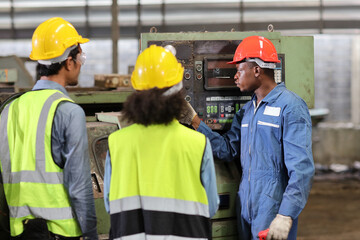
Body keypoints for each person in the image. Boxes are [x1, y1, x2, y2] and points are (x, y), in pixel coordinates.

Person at [180, 35, 315, 240]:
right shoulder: (247, 112)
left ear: (257, 70)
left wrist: (286, 214)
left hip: (272, 206)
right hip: (246, 204)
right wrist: (195, 121)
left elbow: (302, 169)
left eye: (239, 70)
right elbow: (227, 149)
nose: (235, 77)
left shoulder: (291, 107)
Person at [103, 45, 219, 240]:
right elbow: (212, 206)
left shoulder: (116, 143)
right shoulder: (198, 144)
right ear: (178, 93)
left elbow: (109, 204)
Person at [0, 17, 98, 239]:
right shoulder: (69, 112)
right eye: (80, 56)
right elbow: (79, 187)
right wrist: (91, 234)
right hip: (59, 233)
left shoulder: (9, 109)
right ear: (69, 62)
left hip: (18, 231)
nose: (81, 63)